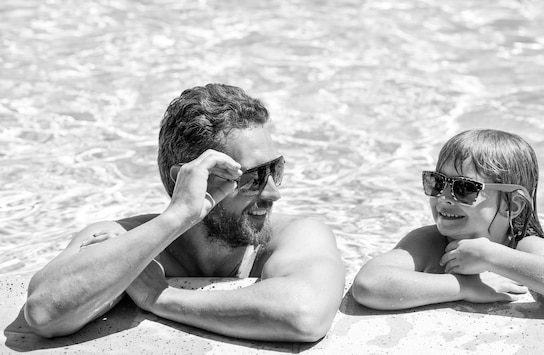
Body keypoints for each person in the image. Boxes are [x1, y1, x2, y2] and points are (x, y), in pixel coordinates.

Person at [24, 83, 345, 341]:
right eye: (253, 177)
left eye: (275, 169)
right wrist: (177, 216)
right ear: (187, 181)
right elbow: (44, 313)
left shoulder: (295, 236)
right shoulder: (126, 240)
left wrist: (158, 297)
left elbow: (304, 314)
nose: (274, 192)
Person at [352, 129, 544, 310]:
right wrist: (466, 287)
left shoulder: (521, 246)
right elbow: (369, 285)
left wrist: (491, 256)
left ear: (513, 205)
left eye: (465, 189)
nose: (444, 198)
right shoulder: (428, 243)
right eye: (437, 183)